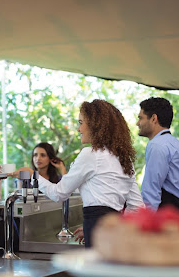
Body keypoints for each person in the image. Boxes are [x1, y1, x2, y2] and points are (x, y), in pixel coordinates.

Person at [21, 99, 144, 248]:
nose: (79, 129)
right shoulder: (124, 158)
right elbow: (137, 206)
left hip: (98, 229)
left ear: (95, 125)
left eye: (80, 123)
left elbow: (58, 193)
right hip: (114, 233)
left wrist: (34, 176)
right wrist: (109, 228)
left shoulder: (90, 154)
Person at [136, 97, 179, 213]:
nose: (137, 123)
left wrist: (146, 223)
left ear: (154, 119)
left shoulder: (157, 145)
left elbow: (151, 192)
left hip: (175, 216)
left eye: (141, 118)